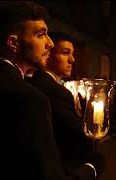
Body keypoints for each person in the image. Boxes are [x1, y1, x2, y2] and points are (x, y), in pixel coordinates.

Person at [0, 2, 84, 179]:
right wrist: (90, 169)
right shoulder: (30, 99)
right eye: (41, 35)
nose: (50, 43)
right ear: (13, 43)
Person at [27, 32, 104, 179]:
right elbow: (74, 136)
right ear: (47, 54)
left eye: (73, 53)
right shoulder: (55, 91)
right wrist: (95, 129)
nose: (72, 60)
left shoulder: (36, 82)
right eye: (65, 53)